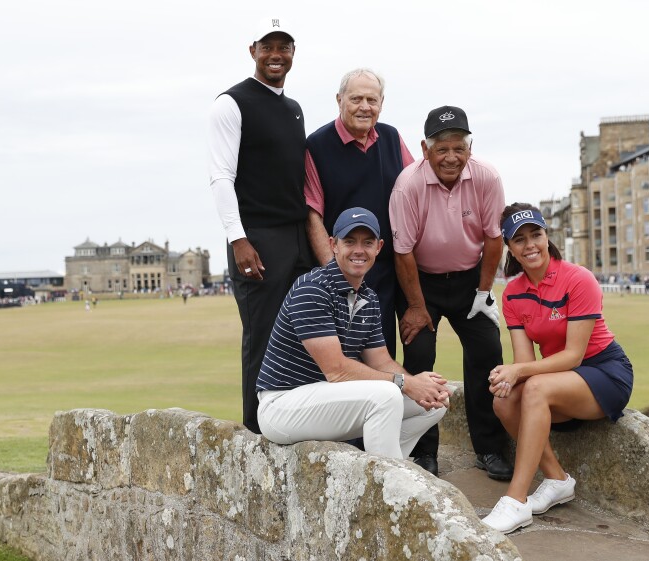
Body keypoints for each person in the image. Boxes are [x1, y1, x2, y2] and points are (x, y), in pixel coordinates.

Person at [481, 203, 634, 534]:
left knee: (533, 387)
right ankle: (557, 480)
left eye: (536, 234)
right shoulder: (512, 294)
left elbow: (574, 356)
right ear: (509, 247)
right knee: (503, 400)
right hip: (559, 378)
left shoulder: (578, 278)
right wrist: (508, 375)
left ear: (547, 236)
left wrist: (519, 373)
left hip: (605, 372)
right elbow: (525, 362)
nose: (530, 245)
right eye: (519, 239)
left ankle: (516, 501)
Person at [256, 207, 451, 459]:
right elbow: (336, 370)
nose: (359, 250)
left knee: (435, 403)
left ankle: (380, 466)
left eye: (367, 243)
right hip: (282, 406)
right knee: (387, 395)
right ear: (333, 244)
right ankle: (388, 485)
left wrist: (420, 387)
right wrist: (406, 383)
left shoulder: (368, 297)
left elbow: (381, 361)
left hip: (327, 400)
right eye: (349, 241)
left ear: (378, 248)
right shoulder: (312, 289)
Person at [389, 105, 512, 479]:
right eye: (442, 149)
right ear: (425, 150)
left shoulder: (487, 176)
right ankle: (425, 452)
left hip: (468, 279)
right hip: (419, 282)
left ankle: (490, 448)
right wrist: (415, 306)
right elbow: (403, 251)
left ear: (469, 149)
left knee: (487, 353)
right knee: (420, 356)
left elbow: (494, 238)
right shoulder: (408, 184)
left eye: (459, 148)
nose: (451, 157)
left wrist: (483, 292)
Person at [208, 17, 313, 433]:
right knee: (263, 334)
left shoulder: (293, 108)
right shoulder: (231, 103)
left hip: (297, 236)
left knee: (302, 331)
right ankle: (256, 429)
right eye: (267, 47)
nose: (276, 55)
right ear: (252, 50)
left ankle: (293, 418)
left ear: (292, 53)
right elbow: (220, 177)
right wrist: (238, 239)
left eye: (284, 47)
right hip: (257, 238)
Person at [304, 68, 416, 358]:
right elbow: (312, 213)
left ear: (381, 103)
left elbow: (415, 191)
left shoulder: (391, 137)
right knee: (348, 360)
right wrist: (335, 277)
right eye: (356, 99)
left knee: (385, 355)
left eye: (372, 99)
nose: (365, 107)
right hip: (343, 270)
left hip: (389, 268)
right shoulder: (317, 145)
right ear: (339, 100)